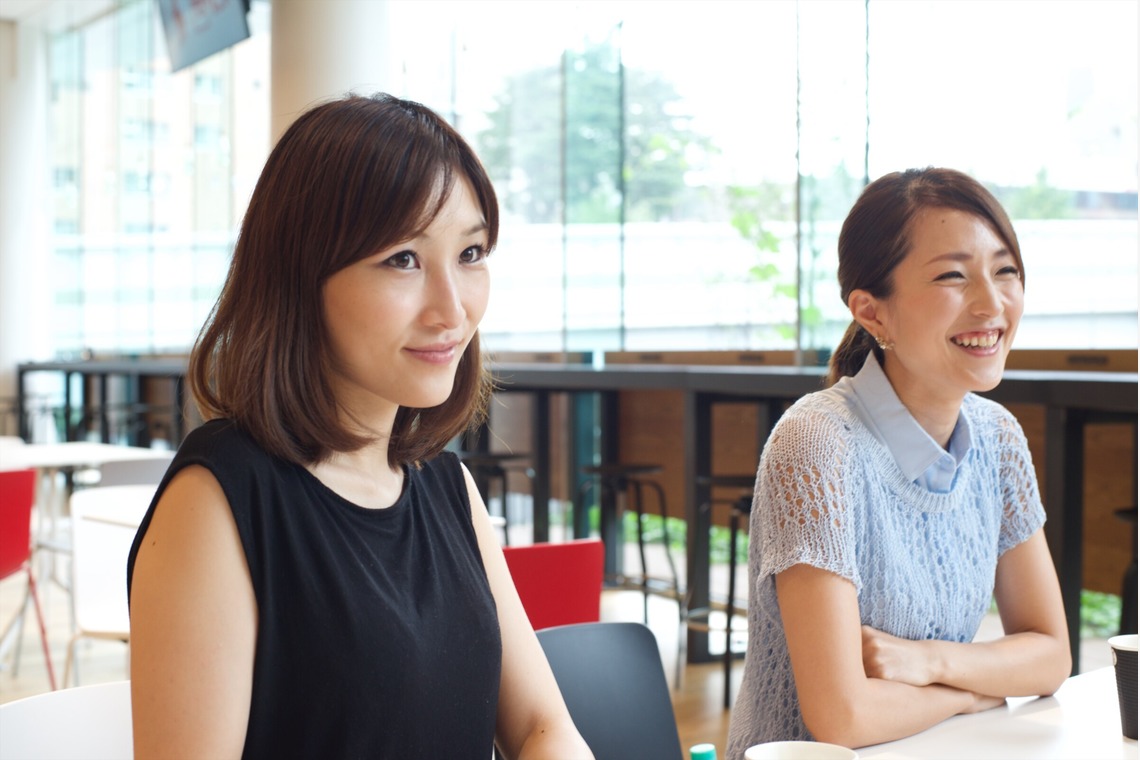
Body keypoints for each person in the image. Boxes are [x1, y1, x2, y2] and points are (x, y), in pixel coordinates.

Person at [127, 93, 593, 760]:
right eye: (403, 258)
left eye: (471, 252)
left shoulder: (444, 484)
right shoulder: (220, 502)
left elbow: (541, 726)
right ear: (302, 276)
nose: (452, 310)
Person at [726, 167, 1071, 756]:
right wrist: (972, 689)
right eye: (953, 276)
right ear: (872, 312)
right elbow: (844, 718)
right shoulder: (817, 443)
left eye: (1005, 270)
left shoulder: (998, 438)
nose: (992, 303)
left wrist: (928, 662)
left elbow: (1049, 654)